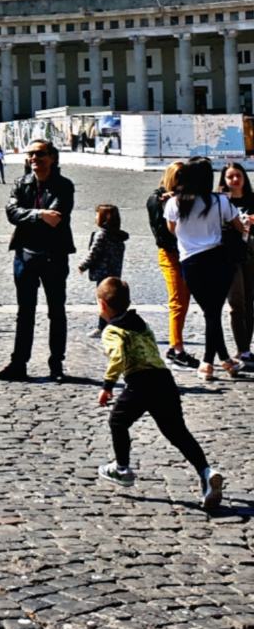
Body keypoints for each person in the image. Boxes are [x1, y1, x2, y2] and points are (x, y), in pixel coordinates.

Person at [95, 277, 224, 511]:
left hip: (139, 382)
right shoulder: (141, 323)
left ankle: (122, 468)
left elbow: (117, 357)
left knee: (117, 422)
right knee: (177, 432)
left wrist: (107, 386)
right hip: (164, 381)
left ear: (103, 305)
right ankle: (206, 472)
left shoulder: (112, 331)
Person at [0, 139, 75, 382]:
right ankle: (19, 363)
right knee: (24, 312)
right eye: (30, 154)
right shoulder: (21, 183)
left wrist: (27, 217)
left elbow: (58, 216)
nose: (34, 158)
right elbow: (11, 213)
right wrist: (39, 214)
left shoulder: (64, 185)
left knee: (56, 312)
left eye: (39, 154)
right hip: (25, 255)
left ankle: (56, 365)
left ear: (52, 157)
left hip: (54, 255)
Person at [164, 156, 240, 380]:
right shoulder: (219, 202)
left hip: (191, 262)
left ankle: (218, 361)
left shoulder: (174, 203)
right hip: (218, 259)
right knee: (213, 312)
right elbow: (237, 225)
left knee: (211, 312)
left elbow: (172, 230)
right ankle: (213, 361)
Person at [146, 163, 197, 370]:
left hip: (185, 252)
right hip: (170, 253)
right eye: (178, 178)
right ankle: (177, 349)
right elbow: (161, 233)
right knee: (177, 301)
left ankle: (176, 346)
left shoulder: (183, 198)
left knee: (183, 300)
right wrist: (166, 207)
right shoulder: (156, 199)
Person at [217, 161, 254, 366]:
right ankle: (241, 348)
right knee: (236, 302)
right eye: (230, 176)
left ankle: (246, 349)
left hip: (250, 252)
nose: (234, 180)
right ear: (224, 179)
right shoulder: (220, 201)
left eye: (238, 175)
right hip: (229, 255)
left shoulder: (252, 199)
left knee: (250, 300)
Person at [78, 204, 128, 339]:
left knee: (103, 302)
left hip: (102, 273)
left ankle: (102, 327)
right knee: (114, 301)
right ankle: (115, 325)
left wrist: (82, 266)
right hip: (115, 273)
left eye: (97, 214)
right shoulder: (118, 236)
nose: (95, 217)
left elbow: (93, 253)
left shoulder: (101, 235)